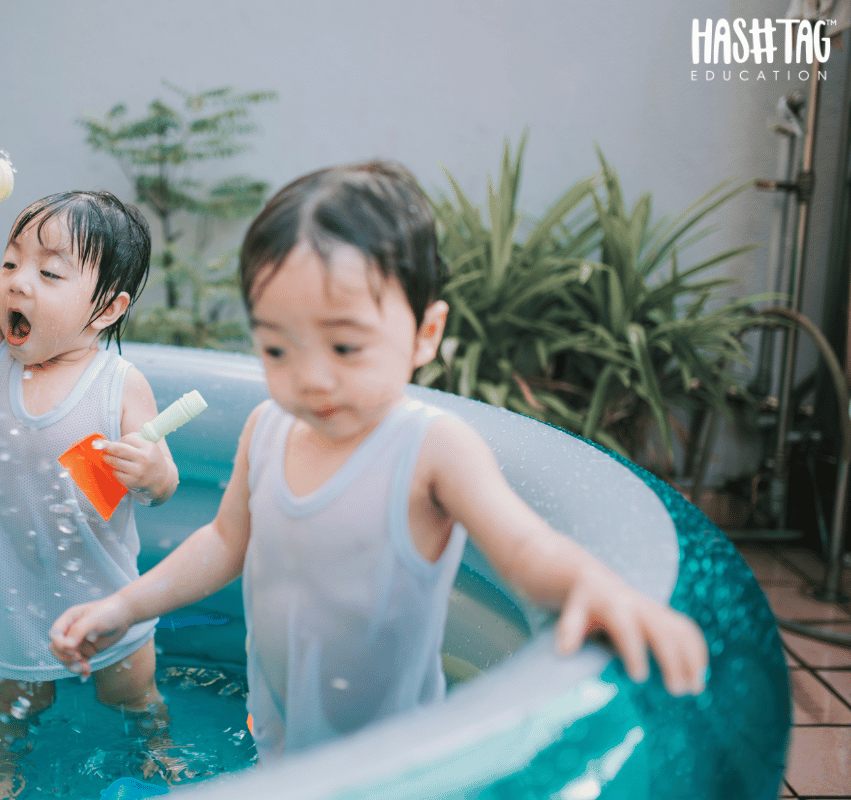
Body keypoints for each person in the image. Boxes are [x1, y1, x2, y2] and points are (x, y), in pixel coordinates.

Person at [48, 162, 709, 763]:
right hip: (280, 747)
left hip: (389, 765)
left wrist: (590, 584)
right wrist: (124, 606)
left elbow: (524, 547)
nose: (312, 379)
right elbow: (223, 543)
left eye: (345, 347)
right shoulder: (268, 428)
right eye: (279, 350)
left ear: (425, 333)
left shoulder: (429, 449)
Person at [0, 190, 182, 795]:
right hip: (16, 590)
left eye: (50, 272)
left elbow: (162, 486)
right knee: (17, 703)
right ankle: (5, 763)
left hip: (104, 588)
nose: (18, 284)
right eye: (10, 264)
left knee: (130, 692)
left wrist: (152, 472)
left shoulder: (118, 385)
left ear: (107, 310)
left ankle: (157, 750)